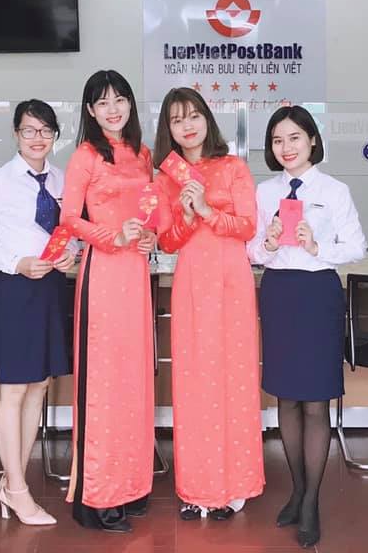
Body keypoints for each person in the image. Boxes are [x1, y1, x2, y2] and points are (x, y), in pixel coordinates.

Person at [248, 105, 367, 549]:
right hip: (279, 292)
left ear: (312, 140)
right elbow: (250, 251)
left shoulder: (334, 190)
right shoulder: (264, 192)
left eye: (294, 138)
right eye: (278, 140)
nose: (287, 148)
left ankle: (312, 500)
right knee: (287, 397)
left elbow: (357, 246)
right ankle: (297, 490)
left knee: (316, 401)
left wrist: (318, 247)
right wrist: (267, 243)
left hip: (318, 294)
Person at [0, 99, 76, 526]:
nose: (37, 138)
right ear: (16, 134)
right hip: (14, 288)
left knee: (39, 386)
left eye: (45, 131)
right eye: (29, 130)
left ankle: (15, 479)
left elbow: (70, 230)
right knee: (13, 390)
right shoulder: (0, 181)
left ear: (54, 136)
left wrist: (72, 253)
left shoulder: (63, 179)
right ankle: (16, 490)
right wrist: (15, 262)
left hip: (52, 287)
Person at [153, 87, 265, 521]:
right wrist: (184, 216)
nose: (187, 125)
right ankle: (197, 487)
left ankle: (235, 486)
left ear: (207, 119)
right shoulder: (165, 178)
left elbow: (248, 226)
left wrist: (205, 209)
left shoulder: (233, 167)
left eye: (194, 115)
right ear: (168, 129)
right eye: (177, 119)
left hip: (232, 281)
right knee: (194, 381)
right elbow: (167, 241)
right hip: (192, 283)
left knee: (234, 379)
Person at [60, 70, 155, 533]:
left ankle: (132, 486)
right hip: (102, 274)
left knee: (135, 382)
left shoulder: (143, 153)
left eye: (120, 100)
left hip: (136, 273)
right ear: (90, 111)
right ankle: (96, 496)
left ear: (130, 104)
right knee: (103, 385)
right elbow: (68, 218)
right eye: (102, 103)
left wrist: (149, 236)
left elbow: (150, 211)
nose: (113, 109)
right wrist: (111, 236)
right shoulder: (85, 156)